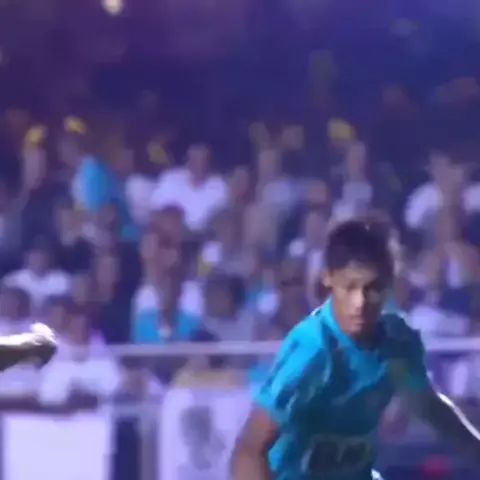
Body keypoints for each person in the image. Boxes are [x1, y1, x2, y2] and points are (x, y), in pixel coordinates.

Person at [231, 217, 480, 480]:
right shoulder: (311, 352)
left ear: (389, 282)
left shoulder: (398, 342)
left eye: (372, 288)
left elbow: (429, 407)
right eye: (349, 287)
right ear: (328, 278)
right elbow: (249, 451)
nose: (360, 302)